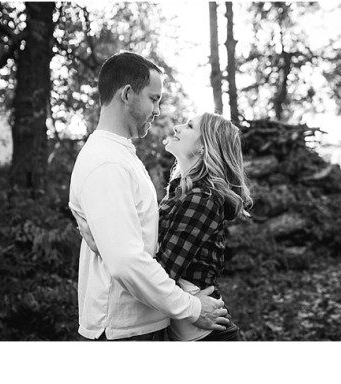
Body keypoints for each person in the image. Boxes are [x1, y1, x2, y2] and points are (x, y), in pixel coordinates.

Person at [68, 51, 229, 340]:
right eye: (154, 98)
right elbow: (126, 261)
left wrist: (103, 243)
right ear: (128, 95)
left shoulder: (121, 155)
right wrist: (192, 308)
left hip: (142, 323)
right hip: (123, 331)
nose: (158, 110)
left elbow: (135, 243)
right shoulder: (108, 163)